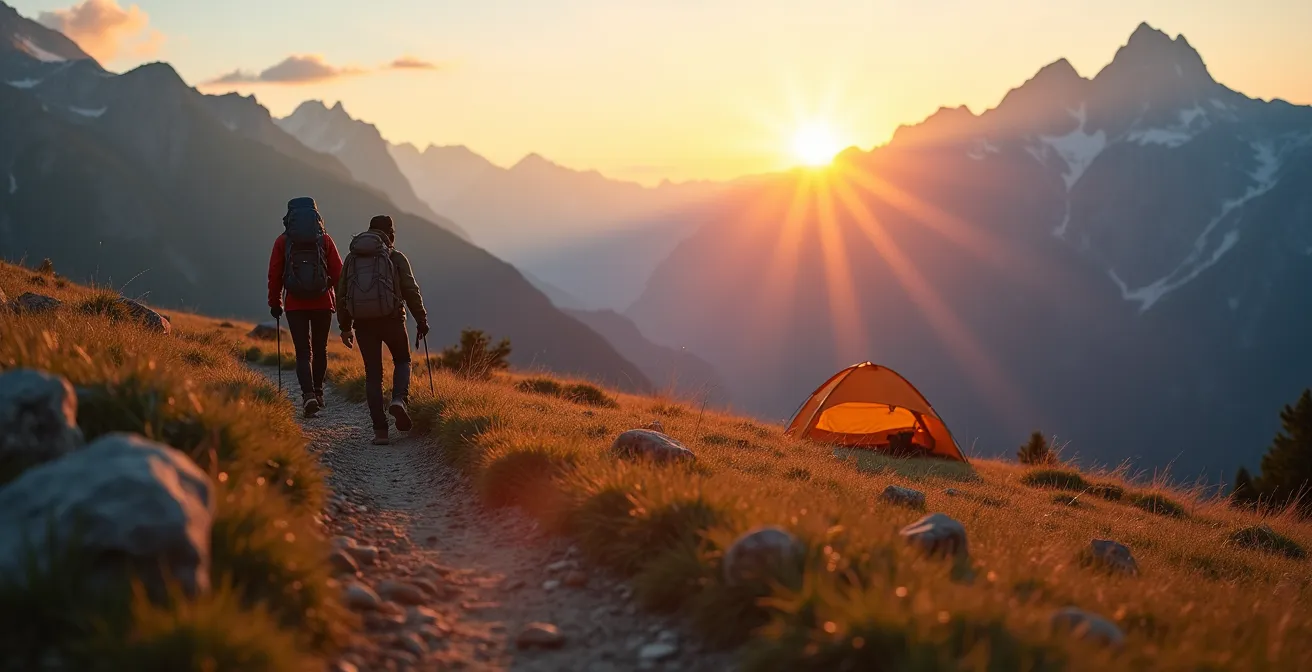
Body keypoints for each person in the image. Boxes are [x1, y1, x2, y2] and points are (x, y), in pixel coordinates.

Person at [337, 215, 430, 445]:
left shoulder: (352, 258)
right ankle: (399, 399)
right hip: (392, 320)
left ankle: (380, 432)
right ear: (390, 234)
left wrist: (345, 327)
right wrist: (421, 319)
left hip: (363, 324)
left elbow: (342, 293)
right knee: (402, 360)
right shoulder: (395, 257)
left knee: (373, 375)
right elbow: (411, 290)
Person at [268, 197, 343, 418]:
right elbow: (338, 274)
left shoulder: (282, 242)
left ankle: (308, 395)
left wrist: (275, 303)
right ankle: (318, 392)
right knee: (320, 350)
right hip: (323, 302)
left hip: (295, 305)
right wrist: (340, 303)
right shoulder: (325, 240)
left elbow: (274, 275)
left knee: (302, 352)